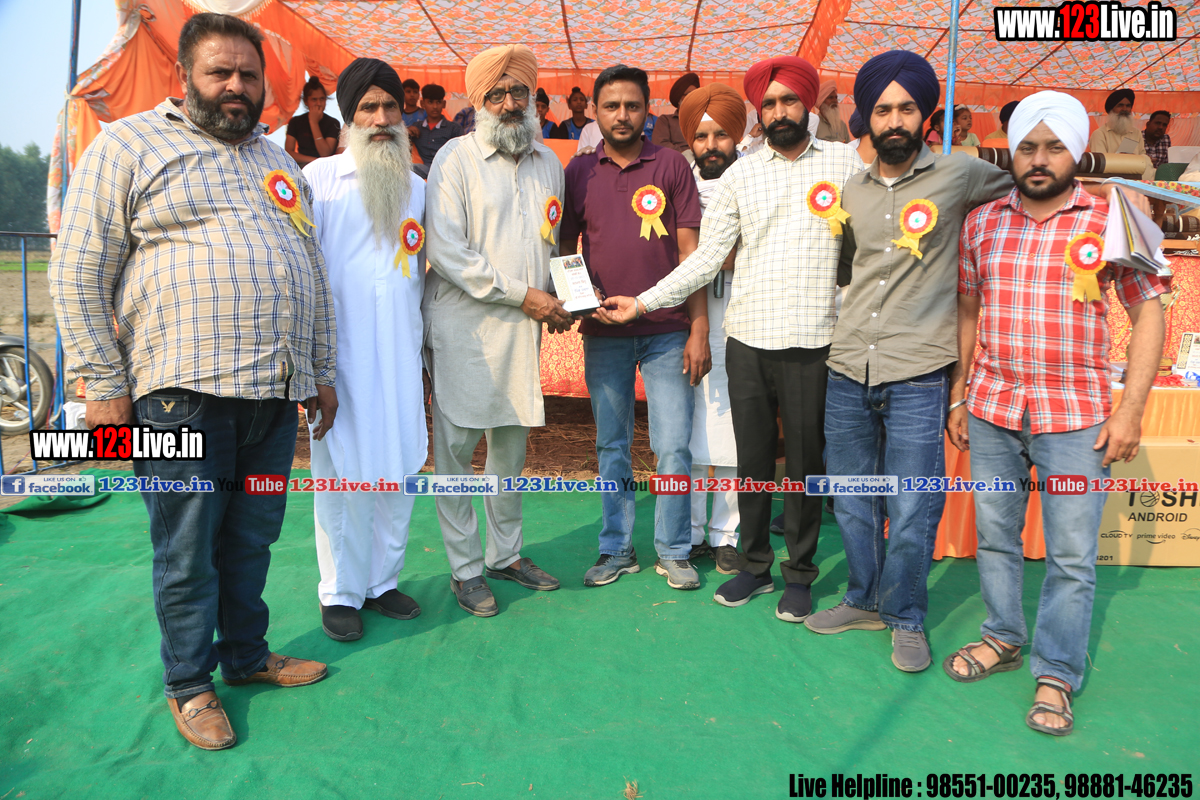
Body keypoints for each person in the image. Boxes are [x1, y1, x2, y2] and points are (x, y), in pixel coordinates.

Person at [49, 12, 335, 751]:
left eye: (249, 74)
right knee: (186, 546)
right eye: (220, 72)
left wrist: (319, 371)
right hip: (179, 398)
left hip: (272, 400)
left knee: (252, 538)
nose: (237, 85)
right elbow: (78, 270)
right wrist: (102, 383)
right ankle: (189, 683)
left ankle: (245, 656)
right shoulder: (128, 145)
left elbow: (309, 268)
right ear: (185, 76)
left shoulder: (278, 160)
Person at [600, 56, 864, 622]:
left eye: (789, 101)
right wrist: (643, 301)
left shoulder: (845, 162)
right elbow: (705, 259)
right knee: (752, 460)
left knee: (803, 463)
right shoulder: (742, 175)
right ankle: (755, 565)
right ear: (758, 114)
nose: (779, 112)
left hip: (814, 339)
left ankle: (800, 573)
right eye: (768, 104)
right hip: (747, 338)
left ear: (807, 105)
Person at [947, 91, 1166, 736]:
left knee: (1071, 554)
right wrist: (960, 393)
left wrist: (1131, 410)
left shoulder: (1114, 219)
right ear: (1011, 153)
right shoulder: (981, 223)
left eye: (1053, 147)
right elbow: (967, 311)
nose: (1039, 160)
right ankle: (1002, 636)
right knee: (996, 536)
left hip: (1078, 418)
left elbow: (1149, 312)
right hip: (992, 407)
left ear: (1076, 151)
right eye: (1027, 147)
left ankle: (1057, 672)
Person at [801, 50, 1013, 672]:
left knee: (914, 503)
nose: (894, 120)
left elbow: (1029, 192)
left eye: (907, 109)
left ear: (927, 117)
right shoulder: (850, 191)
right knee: (853, 497)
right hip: (848, 366)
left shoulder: (961, 174)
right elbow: (849, 267)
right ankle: (863, 599)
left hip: (920, 371)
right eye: (883, 110)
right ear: (867, 118)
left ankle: (904, 614)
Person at [424, 44, 568, 617]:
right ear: (478, 101)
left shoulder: (548, 162)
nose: (509, 103)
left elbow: (551, 244)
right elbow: (448, 253)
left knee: (509, 452)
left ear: (532, 98)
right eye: (496, 94)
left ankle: (505, 555)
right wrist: (526, 295)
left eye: (518, 92)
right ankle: (465, 570)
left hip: (522, 333)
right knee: (456, 455)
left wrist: (562, 297)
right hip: (466, 329)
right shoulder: (454, 160)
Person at [560, 64, 707, 591]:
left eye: (632, 105)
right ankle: (617, 549)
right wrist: (581, 303)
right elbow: (566, 249)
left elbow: (692, 257)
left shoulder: (671, 165)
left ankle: (674, 550)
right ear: (595, 112)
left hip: (668, 330)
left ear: (648, 110)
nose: (622, 115)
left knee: (673, 446)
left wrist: (698, 329)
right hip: (605, 334)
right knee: (611, 446)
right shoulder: (579, 171)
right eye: (611, 106)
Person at [303, 58, 426, 642]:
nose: (380, 119)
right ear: (349, 118)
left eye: (389, 107)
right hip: (340, 362)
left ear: (403, 115)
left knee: (398, 467)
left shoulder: (418, 188)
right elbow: (303, 273)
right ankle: (340, 591)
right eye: (367, 108)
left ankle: (382, 582)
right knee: (340, 475)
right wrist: (311, 367)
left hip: (400, 356)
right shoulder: (319, 181)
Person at [678, 83, 747, 575]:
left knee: (734, 426)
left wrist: (723, 255)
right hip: (688, 317)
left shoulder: (754, 177)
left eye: (721, 135)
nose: (711, 145)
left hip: (743, 315)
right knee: (690, 427)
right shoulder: (675, 181)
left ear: (736, 136)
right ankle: (689, 531)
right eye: (701, 136)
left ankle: (727, 534)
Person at [1089, 88, 1154, 179]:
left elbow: (1143, 159)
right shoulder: (1099, 134)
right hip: (1110, 181)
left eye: (1128, 106)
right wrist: (1122, 159)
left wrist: (1136, 158)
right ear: (1111, 110)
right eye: (1120, 105)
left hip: (1135, 181)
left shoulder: (1136, 133)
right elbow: (1101, 164)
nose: (1125, 109)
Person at [285, 76, 339, 165]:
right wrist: (314, 161)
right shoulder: (296, 122)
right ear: (306, 101)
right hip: (303, 166)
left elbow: (325, 153)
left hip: (326, 167)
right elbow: (288, 153)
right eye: (314, 99)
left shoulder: (333, 123)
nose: (319, 103)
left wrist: (314, 123)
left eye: (322, 99)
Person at [414, 83, 463, 170]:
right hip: (422, 169)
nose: (435, 106)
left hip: (447, 169)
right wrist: (406, 131)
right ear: (422, 104)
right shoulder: (416, 128)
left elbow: (461, 153)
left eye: (438, 102)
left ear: (444, 104)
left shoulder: (454, 128)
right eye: (430, 102)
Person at [651, 72, 700, 153]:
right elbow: (660, 144)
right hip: (676, 159)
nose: (693, 98)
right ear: (679, 98)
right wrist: (686, 153)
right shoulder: (665, 120)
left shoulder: (704, 119)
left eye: (696, 95)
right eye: (689, 94)